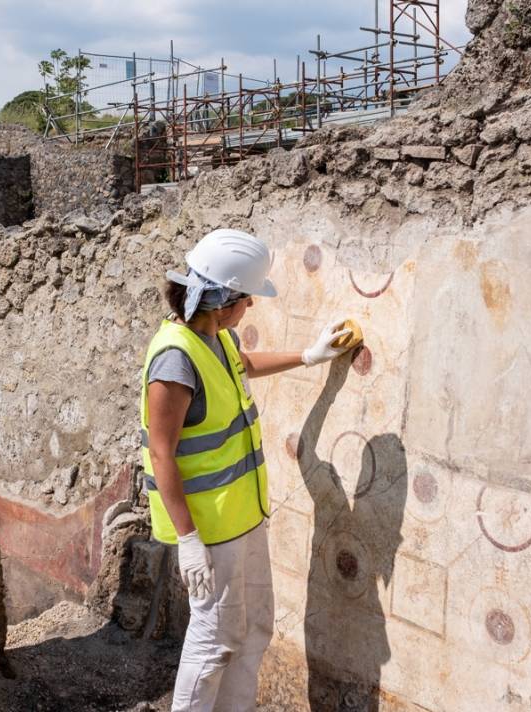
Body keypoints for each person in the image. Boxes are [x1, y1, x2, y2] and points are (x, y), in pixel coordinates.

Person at [140, 228, 355, 712]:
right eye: (246, 298)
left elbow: (243, 365)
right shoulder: (174, 359)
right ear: (220, 300)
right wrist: (188, 539)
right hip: (210, 529)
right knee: (214, 640)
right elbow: (161, 454)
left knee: (254, 626)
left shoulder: (215, 336)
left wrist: (308, 355)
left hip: (242, 518)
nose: (251, 307)